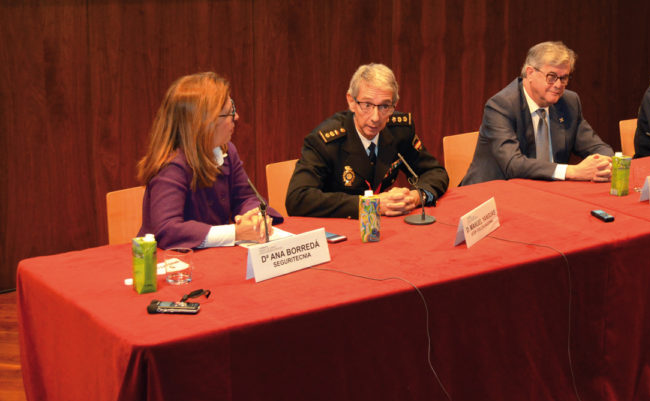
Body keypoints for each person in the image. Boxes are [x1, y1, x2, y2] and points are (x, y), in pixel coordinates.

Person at [137, 72, 281, 249]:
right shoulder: (171, 166)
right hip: (168, 266)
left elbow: (246, 198)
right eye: (229, 113)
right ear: (204, 123)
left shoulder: (227, 151)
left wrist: (254, 217)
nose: (236, 117)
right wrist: (236, 232)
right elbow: (167, 229)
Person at [285, 63, 449, 218]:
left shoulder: (399, 131)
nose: (376, 118)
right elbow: (297, 199)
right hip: (339, 229)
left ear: (394, 105)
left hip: (383, 227)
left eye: (384, 106)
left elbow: (435, 172)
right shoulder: (326, 141)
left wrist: (415, 197)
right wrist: (371, 204)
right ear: (351, 101)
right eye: (367, 105)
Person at [460, 41, 614, 185]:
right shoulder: (501, 105)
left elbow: (598, 147)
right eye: (552, 77)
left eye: (564, 78)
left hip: (547, 193)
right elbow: (513, 164)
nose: (559, 85)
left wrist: (601, 163)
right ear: (530, 73)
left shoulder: (569, 102)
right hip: (493, 194)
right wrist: (572, 170)